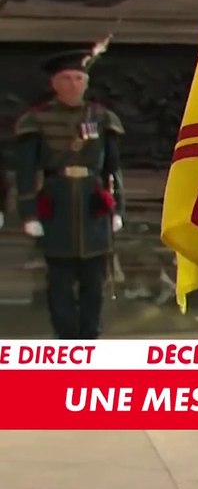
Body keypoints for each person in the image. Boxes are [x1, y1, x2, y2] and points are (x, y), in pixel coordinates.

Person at [12, 44, 125, 340]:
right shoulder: (36, 120)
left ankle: (90, 339)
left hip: (93, 206)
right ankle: (65, 341)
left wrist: (118, 209)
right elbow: (25, 171)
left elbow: (112, 168)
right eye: (65, 79)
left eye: (78, 78)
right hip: (56, 206)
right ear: (54, 84)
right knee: (59, 284)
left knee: (95, 284)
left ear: (86, 82)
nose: (72, 84)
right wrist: (29, 213)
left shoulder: (102, 118)